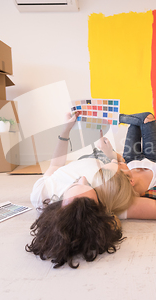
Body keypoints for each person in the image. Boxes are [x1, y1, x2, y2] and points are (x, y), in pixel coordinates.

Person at [26, 112, 123, 269]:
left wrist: (65, 130)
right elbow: (122, 167)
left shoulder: (42, 193)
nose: (83, 178)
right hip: (107, 159)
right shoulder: (107, 197)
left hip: (83, 159)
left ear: (57, 205)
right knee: (145, 120)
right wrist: (110, 154)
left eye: (74, 184)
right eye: (91, 187)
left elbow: (56, 165)